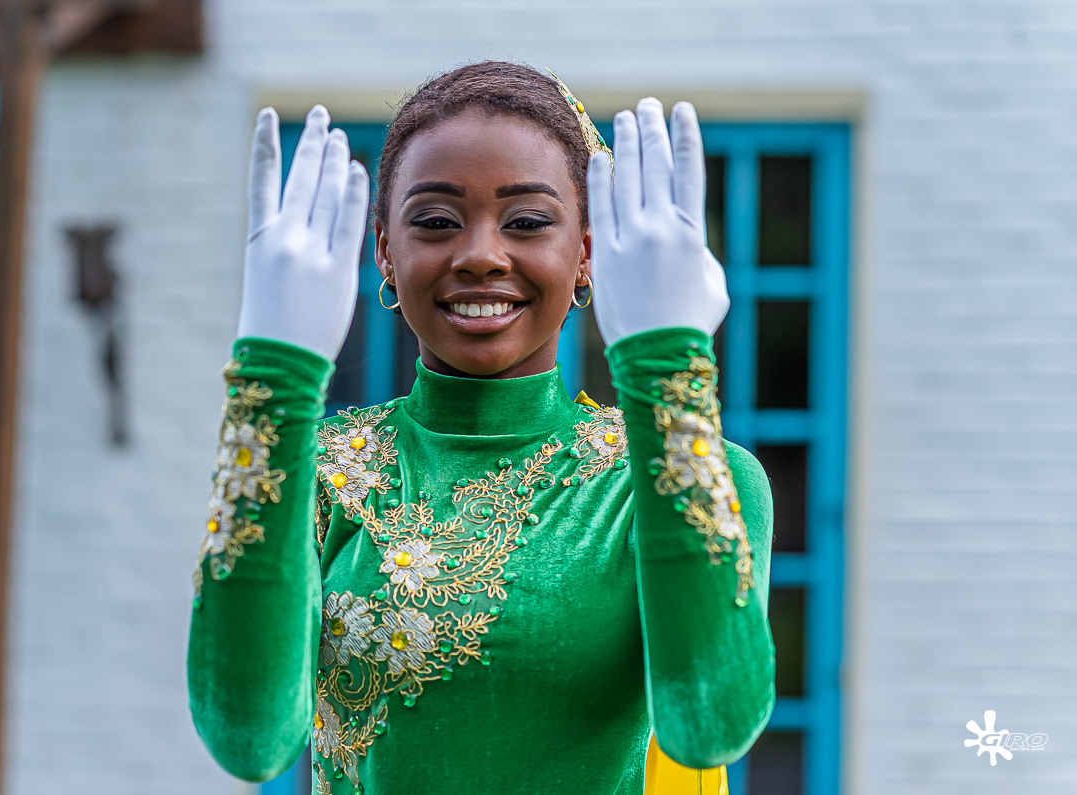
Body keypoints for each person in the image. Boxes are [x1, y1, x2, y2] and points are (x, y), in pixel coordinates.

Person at [187, 61, 775, 795]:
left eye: (527, 222)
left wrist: (667, 366)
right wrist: (274, 376)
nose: (480, 257)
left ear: (587, 251)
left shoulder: (672, 475)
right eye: (436, 222)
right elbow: (248, 736)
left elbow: (711, 723)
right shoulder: (315, 472)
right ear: (385, 251)